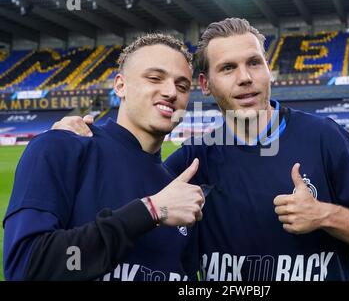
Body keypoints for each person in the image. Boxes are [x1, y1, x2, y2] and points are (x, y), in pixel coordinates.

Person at [53, 18, 349, 281]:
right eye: (228, 68)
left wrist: (324, 215)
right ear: (205, 84)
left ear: (268, 71)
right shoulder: (192, 161)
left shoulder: (325, 137)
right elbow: (118, 202)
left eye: (254, 63)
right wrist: (75, 141)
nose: (245, 77)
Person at [2, 33, 205, 281]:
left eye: (182, 86)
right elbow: (26, 267)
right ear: (120, 85)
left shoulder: (178, 194)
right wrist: (149, 211)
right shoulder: (59, 148)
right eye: (155, 78)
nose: (171, 92)